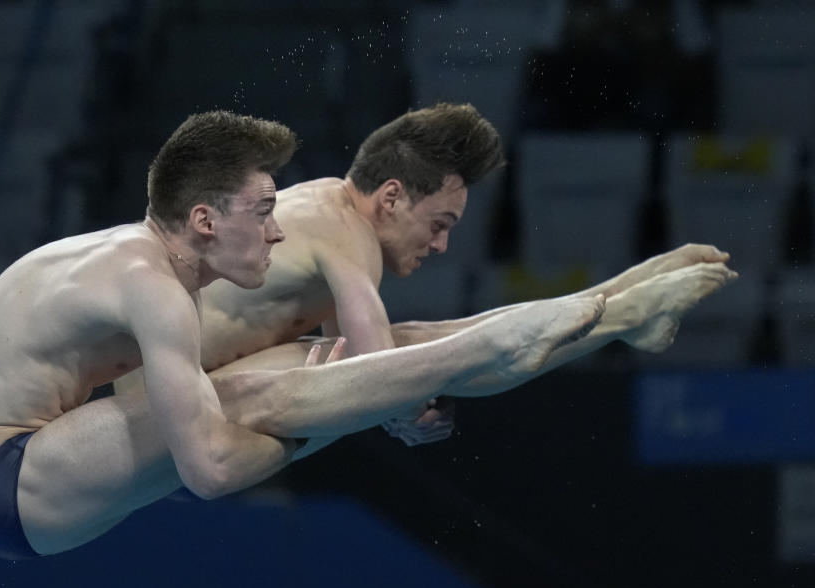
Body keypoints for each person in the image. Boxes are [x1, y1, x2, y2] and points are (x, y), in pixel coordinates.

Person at [0, 111, 623, 561]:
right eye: (264, 212)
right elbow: (207, 475)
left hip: (42, 464)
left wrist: (345, 398)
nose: (277, 230)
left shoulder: (149, 262)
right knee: (258, 394)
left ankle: (602, 312)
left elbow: (360, 364)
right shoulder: (152, 286)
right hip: (5, 487)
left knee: (316, 370)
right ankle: (491, 344)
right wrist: (332, 418)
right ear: (206, 220)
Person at [117, 103, 738, 444]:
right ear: (390, 197)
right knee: (437, 350)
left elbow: (357, 354)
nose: (441, 246)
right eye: (438, 222)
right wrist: (405, 416)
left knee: (426, 342)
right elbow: (382, 369)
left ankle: (615, 303)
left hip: (179, 393)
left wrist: (398, 409)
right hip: (162, 410)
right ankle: (618, 312)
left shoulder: (324, 208)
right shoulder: (344, 232)